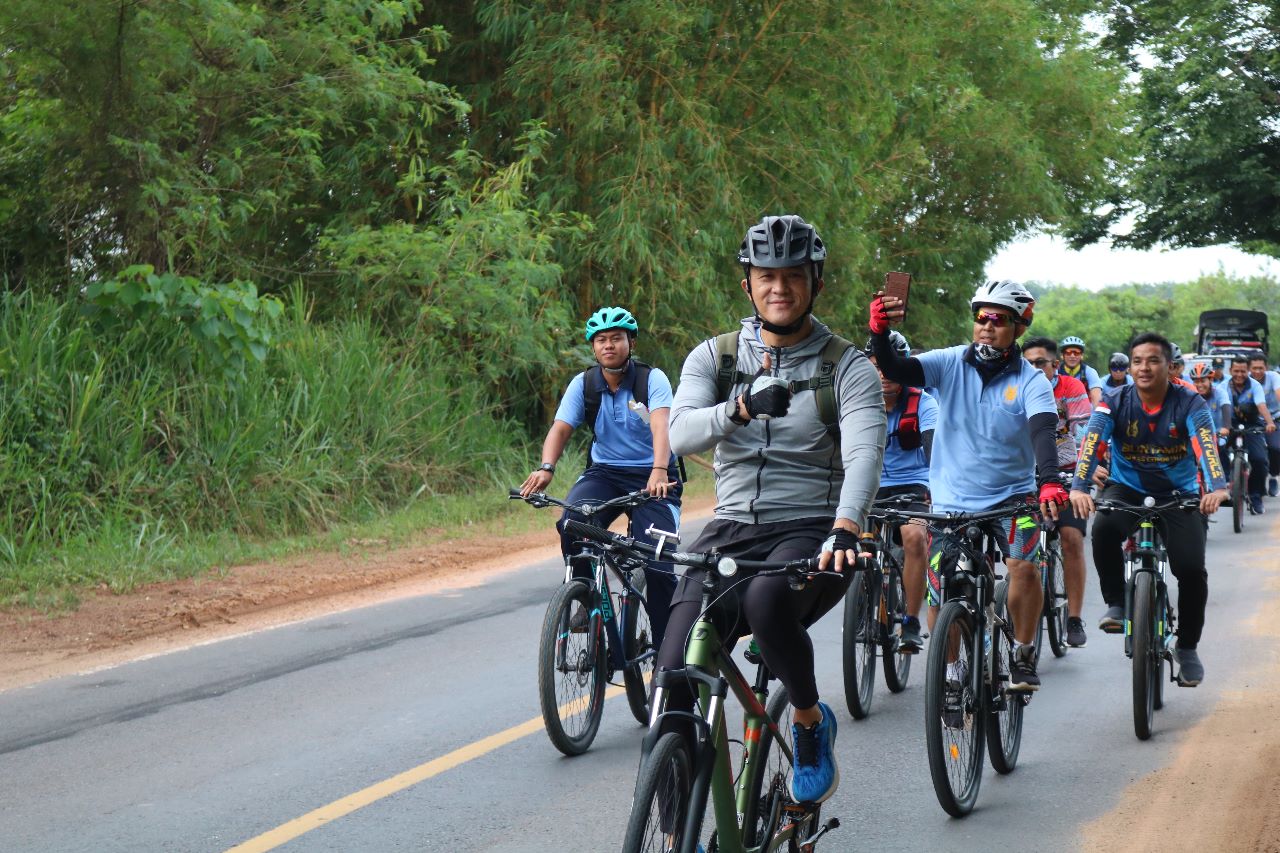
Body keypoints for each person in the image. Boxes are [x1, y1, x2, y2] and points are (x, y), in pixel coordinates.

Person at [664, 214, 884, 804]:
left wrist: (846, 528)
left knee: (765, 601)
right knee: (673, 671)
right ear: (748, 285)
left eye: (793, 276)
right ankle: (674, 819)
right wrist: (739, 408)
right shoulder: (715, 357)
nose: (779, 288)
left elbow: (864, 454)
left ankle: (809, 722)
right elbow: (680, 434)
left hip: (813, 529)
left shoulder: (847, 368)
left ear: (816, 283)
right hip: (731, 528)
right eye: (766, 276)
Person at [869, 280, 1066, 692]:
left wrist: (1049, 481)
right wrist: (880, 334)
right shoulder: (949, 363)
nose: (987, 326)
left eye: (999, 319)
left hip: (1014, 499)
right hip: (950, 503)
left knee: (1024, 568)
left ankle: (1023, 651)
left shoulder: (1032, 381)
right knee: (940, 592)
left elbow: (1043, 431)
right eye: (981, 317)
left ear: (1019, 327)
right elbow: (897, 369)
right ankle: (951, 671)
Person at [1068, 332, 1228, 686]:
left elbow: (1205, 445)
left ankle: (1187, 647)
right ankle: (1116, 602)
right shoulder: (1113, 400)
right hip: (1127, 489)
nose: (1144, 368)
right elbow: (1092, 442)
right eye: (1137, 361)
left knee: (1191, 569)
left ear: (1170, 367)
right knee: (1103, 529)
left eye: (1153, 361)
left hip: (1179, 493)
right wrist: (1079, 487)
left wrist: (1217, 487)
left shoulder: (1189, 402)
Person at [519, 306, 682, 644]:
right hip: (605, 473)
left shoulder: (651, 380)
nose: (609, 345)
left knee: (658, 563)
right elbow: (560, 429)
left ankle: (668, 655)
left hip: (655, 477)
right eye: (601, 340)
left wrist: (659, 470)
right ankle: (585, 597)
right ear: (593, 347)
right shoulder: (584, 385)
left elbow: (661, 426)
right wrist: (547, 467)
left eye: (616, 338)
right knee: (572, 523)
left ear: (631, 343)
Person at [867, 330, 936, 652]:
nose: (884, 374)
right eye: (877, 367)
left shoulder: (924, 402)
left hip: (913, 483)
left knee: (914, 537)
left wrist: (939, 488)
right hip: (867, 483)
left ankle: (910, 621)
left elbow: (933, 449)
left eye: (891, 366)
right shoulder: (855, 399)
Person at [1022, 337, 1091, 647]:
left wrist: (1086, 472)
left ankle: (1074, 618)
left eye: (1040, 363)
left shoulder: (1071, 388)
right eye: (1028, 363)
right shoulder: (1014, 387)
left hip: (1066, 473)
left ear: (1055, 365)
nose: (1034, 369)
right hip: (1025, 476)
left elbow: (1085, 433)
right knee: (1018, 548)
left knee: (1071, 538)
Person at [1217, 355, 1277, 514]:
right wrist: (1223, 427)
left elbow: (1261, 405)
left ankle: (1256, 495)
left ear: (1248, 371)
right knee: (1219, 449)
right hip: (1229, 423)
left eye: (1243, 371)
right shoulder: (1223, 386)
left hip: (1252, 425)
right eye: (1236, 371)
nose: (1239, 374)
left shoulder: (1255, 385)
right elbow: (1224, 406)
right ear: (1230, 370)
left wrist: (1269, 422)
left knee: (1260, 460)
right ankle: (1225, 483)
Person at [1247, 354, 1280, 497]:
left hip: (1273, 419)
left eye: (1261, 368)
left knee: (1275, 448)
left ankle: (1273, 476)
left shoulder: (1274, 377)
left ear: (1266, 367)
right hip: (1252, 420)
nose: (1257, 371)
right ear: (1249, 368)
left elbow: (1279, 393)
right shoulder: (1245, 380)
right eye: (1254, 368)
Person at [1190, 362, 1231, 445]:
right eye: (1196, 382)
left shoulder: (1220, 393)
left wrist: (1226, 427)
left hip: (1217, 436)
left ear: (1211, 380)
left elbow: (1226, 407)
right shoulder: (1190, 395)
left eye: (1203, 381)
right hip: (1196, 437)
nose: (1199, 385)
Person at [1059, 336, 1104, 406]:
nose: (1072, 356)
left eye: (1076, 352)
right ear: (1062, 355)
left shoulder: (1090, 372)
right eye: (1068, 352)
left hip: (1084, 411)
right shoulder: (1055, 372)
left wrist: (1096, 409)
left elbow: (1097, 399)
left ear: (1082, 355)